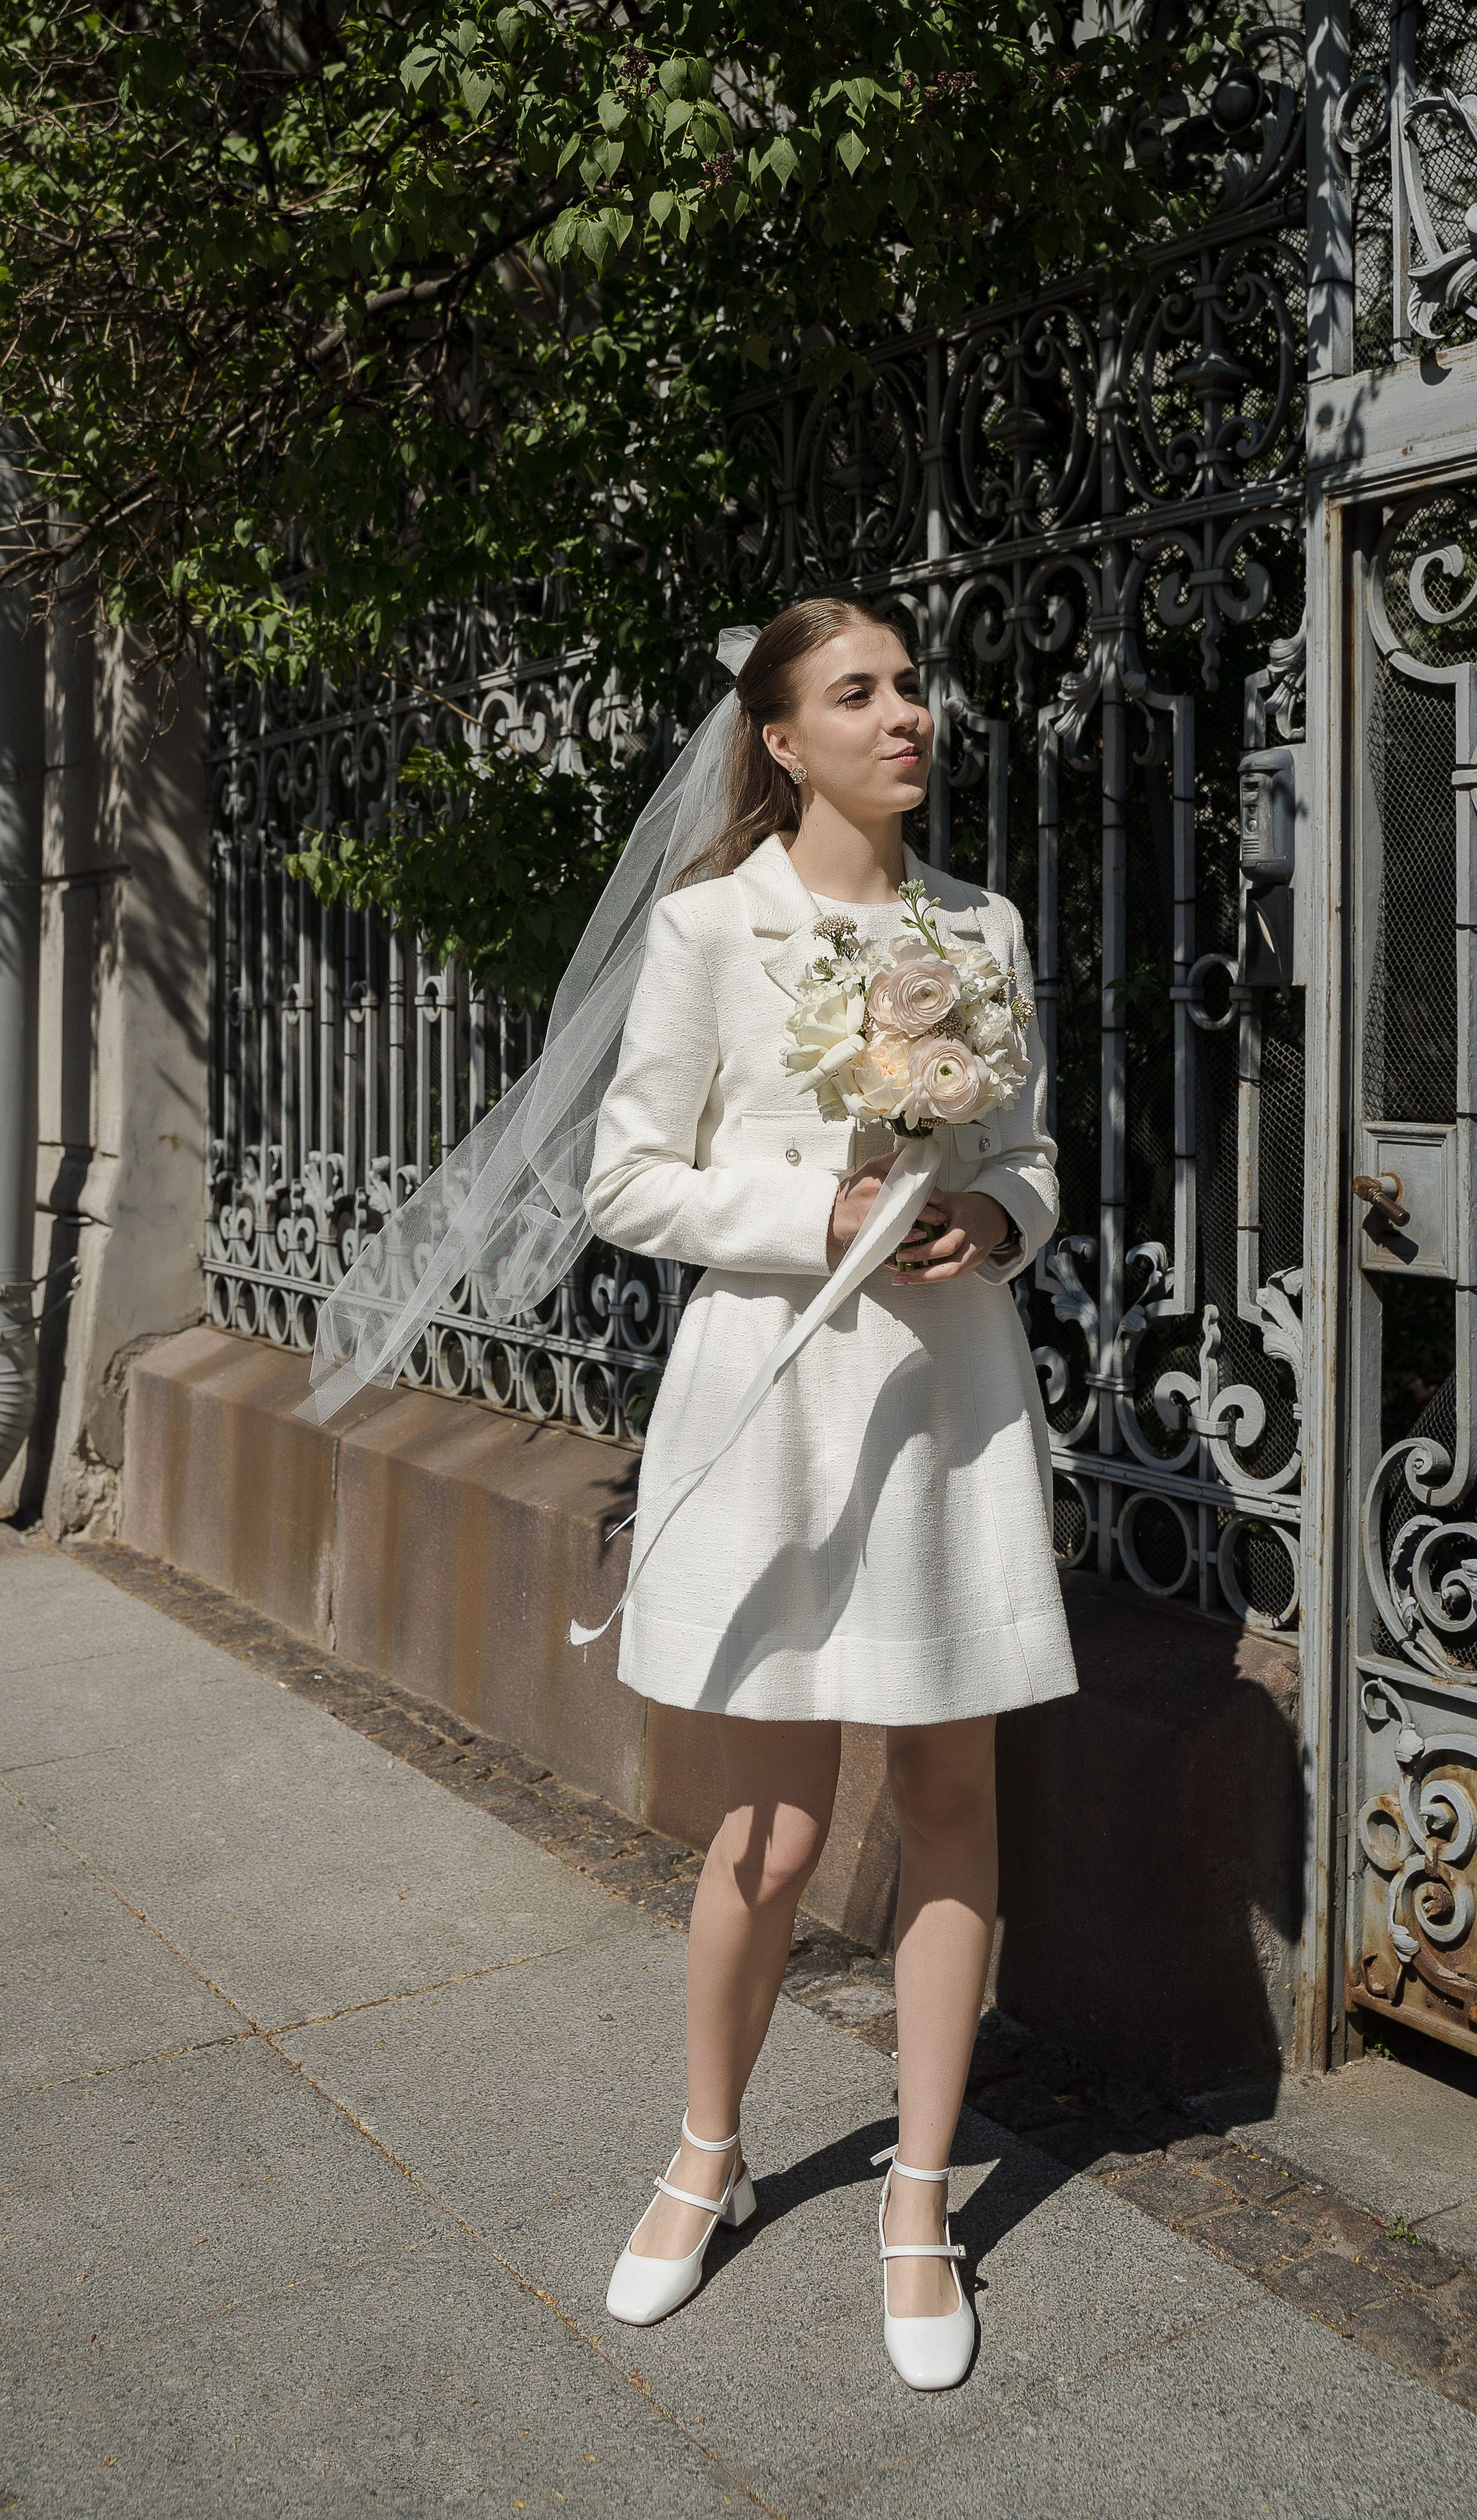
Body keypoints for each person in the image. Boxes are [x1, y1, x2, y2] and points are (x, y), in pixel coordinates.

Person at [581, 597, 1077, 2390]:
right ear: (783, 740)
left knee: (950, 1793)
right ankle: (704, 2157)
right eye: (859, 693)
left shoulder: (984, 927)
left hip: (946, 1405)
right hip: (781, 1397)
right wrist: (822, 1213)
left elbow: (1030, 1152)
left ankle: (920, 2198)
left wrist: (993, 1214)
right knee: (774, 1833)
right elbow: (628, 1182)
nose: (906, 714)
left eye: (913, 686)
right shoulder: (712, 926)